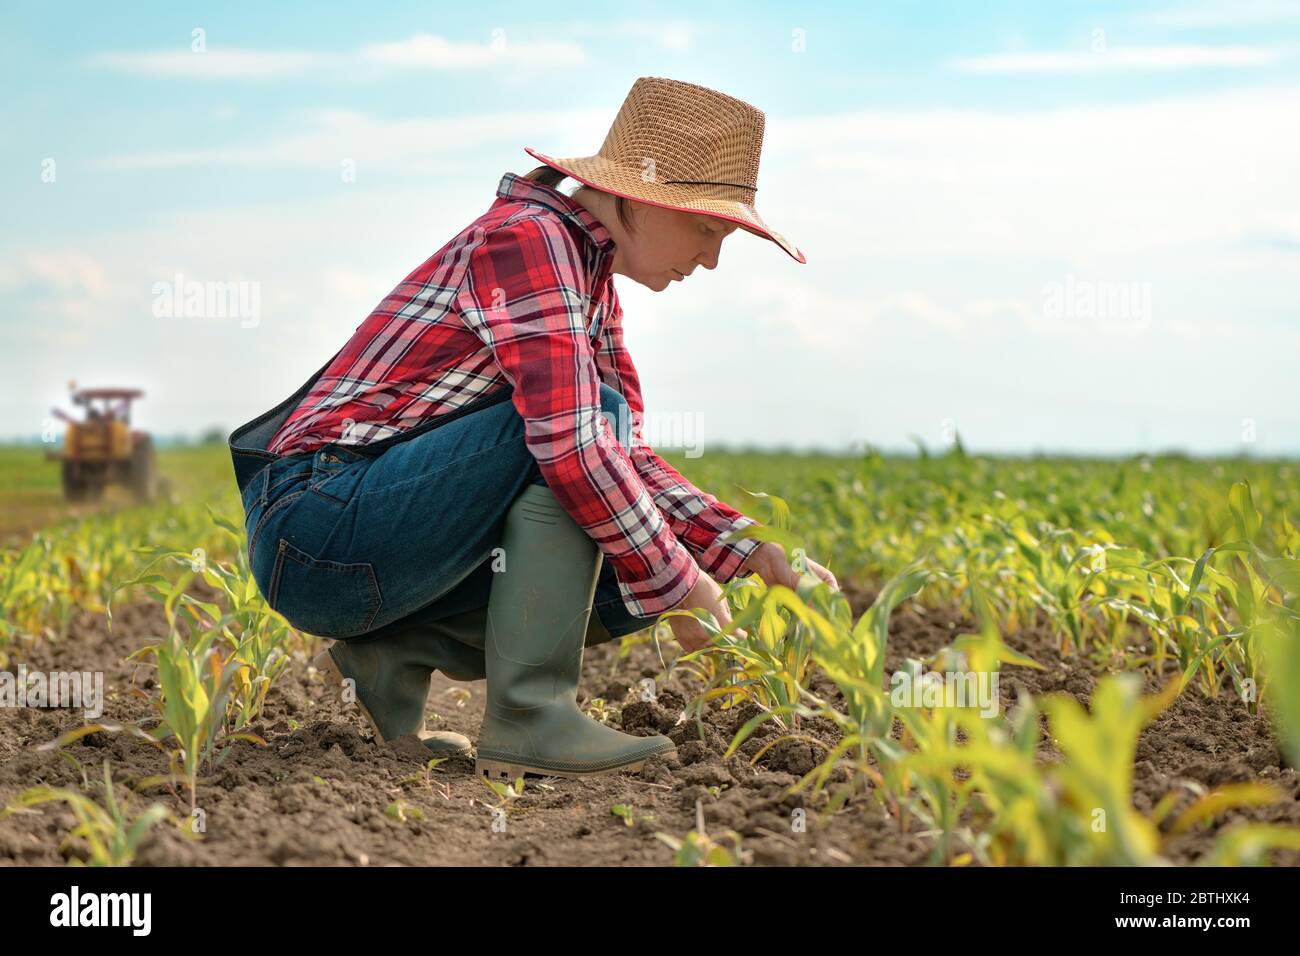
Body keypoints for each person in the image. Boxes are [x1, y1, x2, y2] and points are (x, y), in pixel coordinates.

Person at [227, 76, 837, 780]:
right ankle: (530, 720)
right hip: (316, 527)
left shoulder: (586, 273)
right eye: (706, 228)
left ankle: (395, 653)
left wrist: (747, 553)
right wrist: (687, 592)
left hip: (359, 533)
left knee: (629, 541)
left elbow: (623, 458)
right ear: (640, 197)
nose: (710, 258)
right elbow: (577, 443)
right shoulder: (530, 240)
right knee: (599, 474)